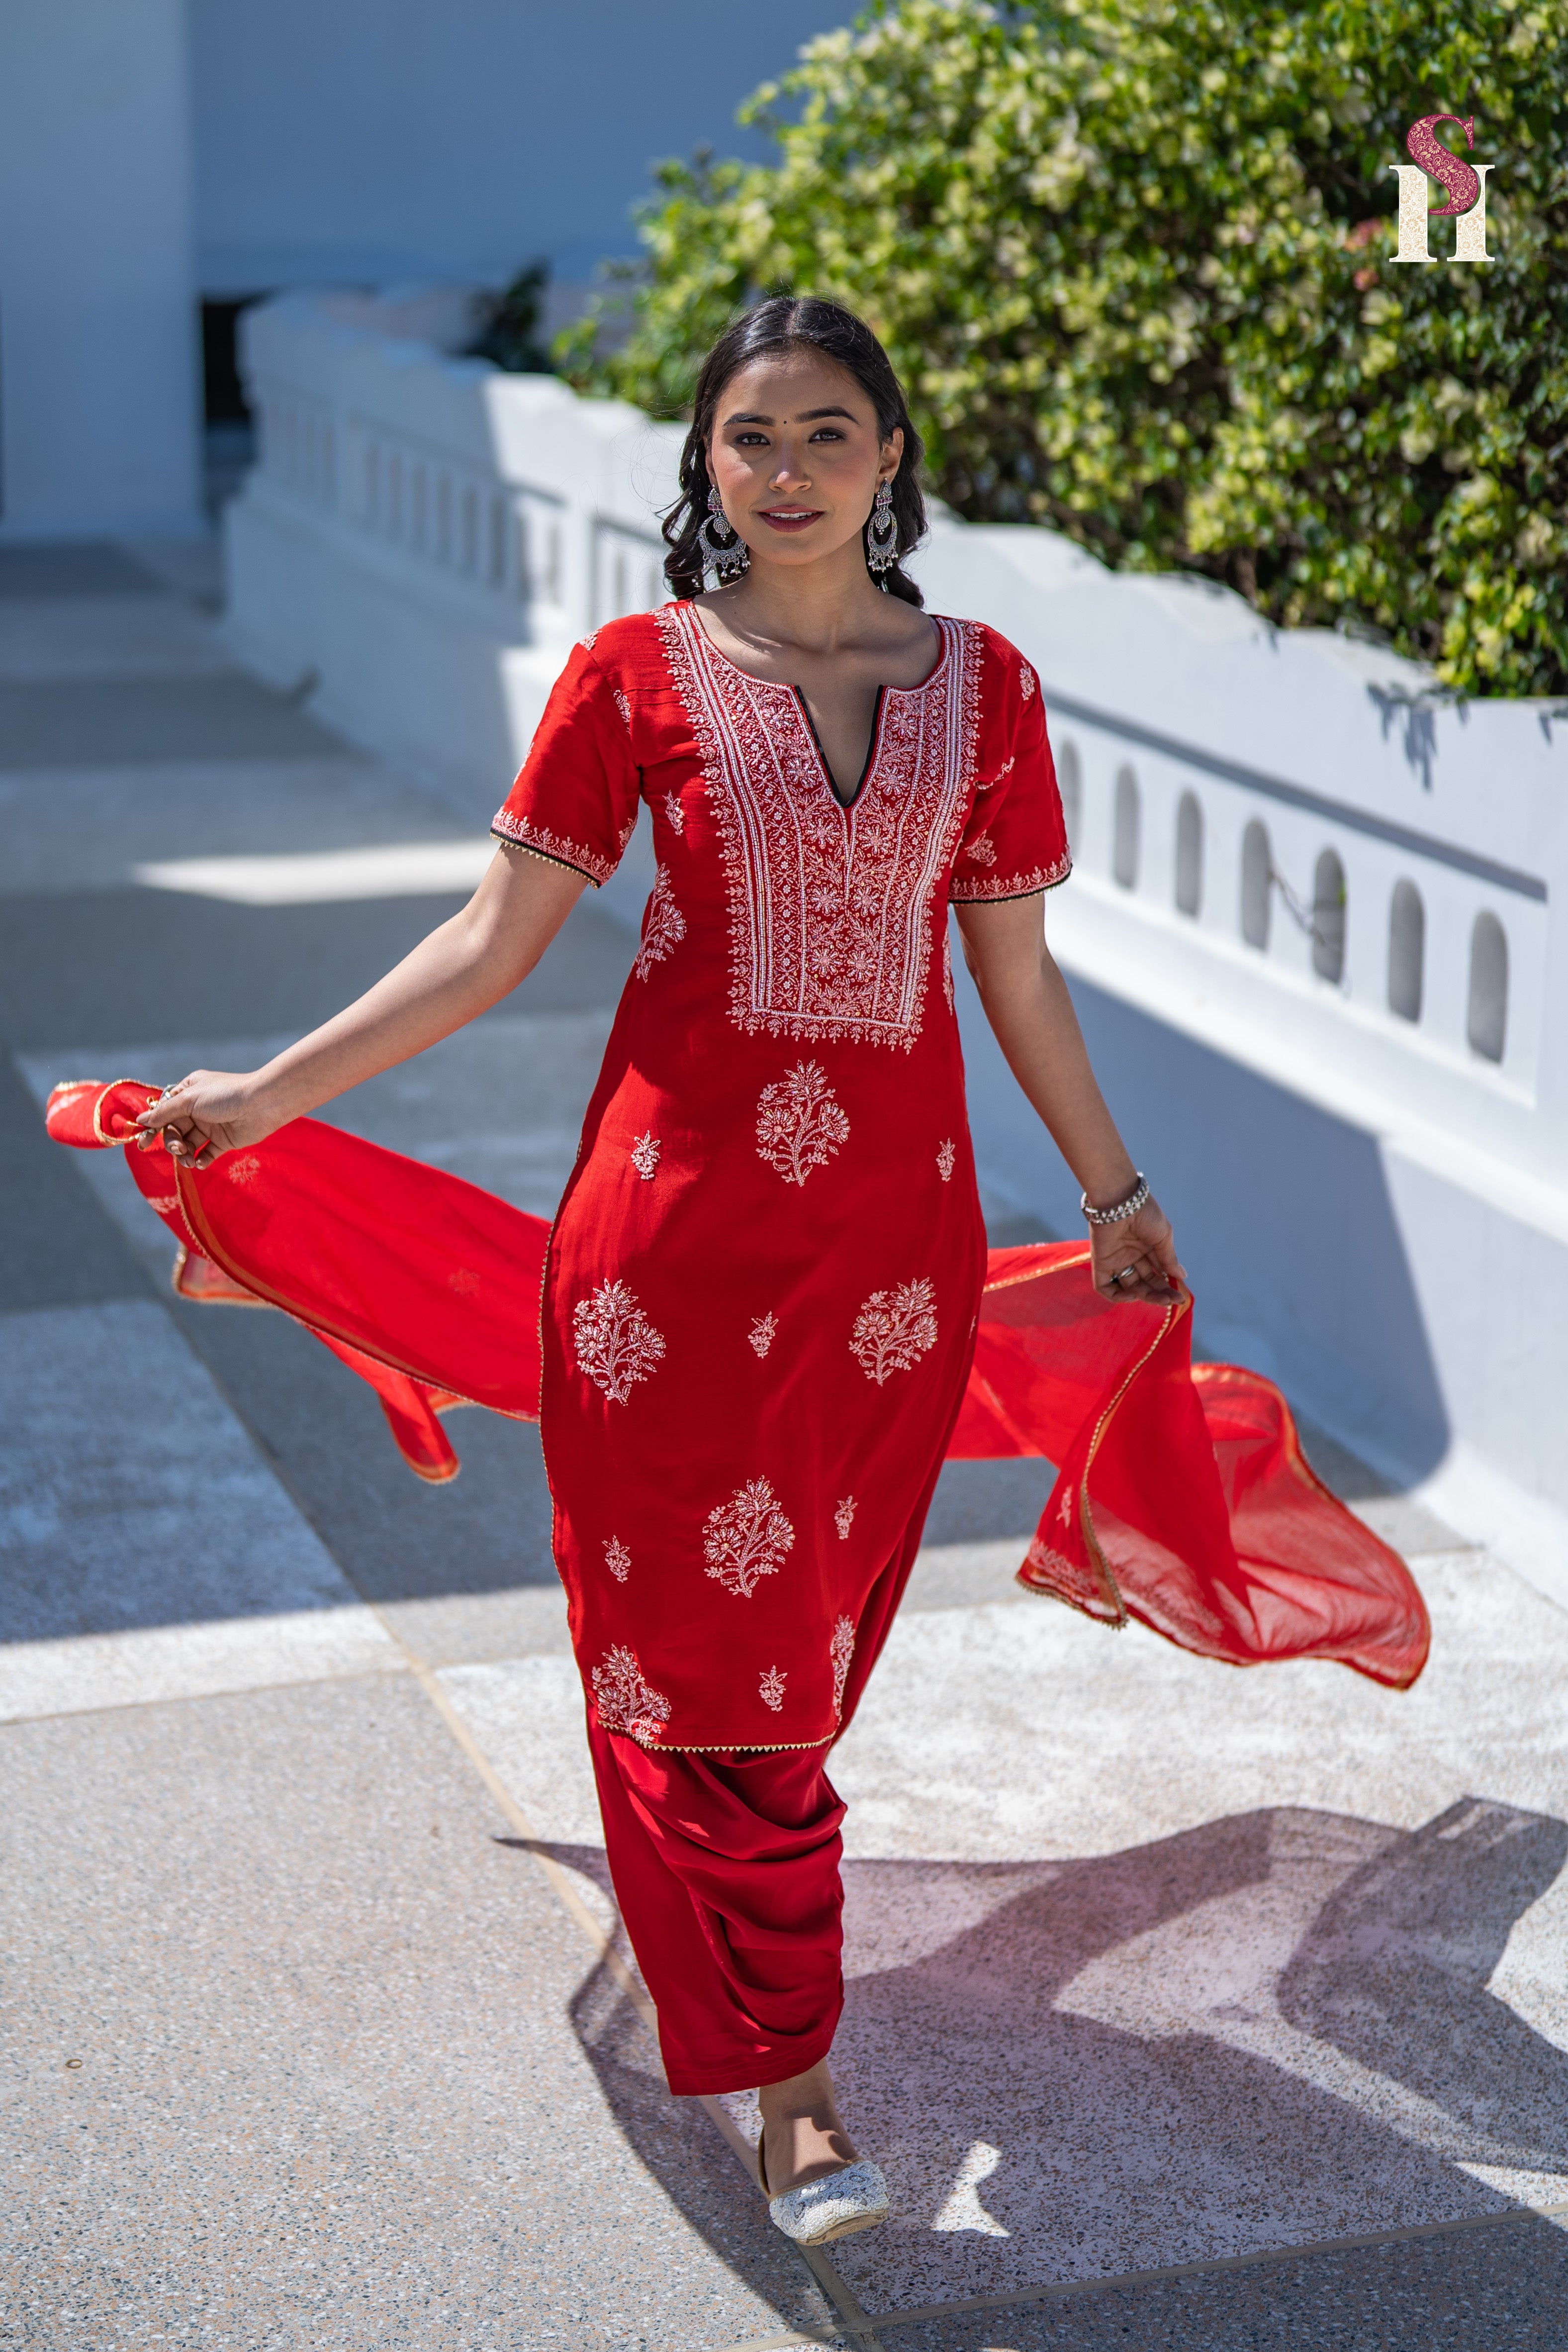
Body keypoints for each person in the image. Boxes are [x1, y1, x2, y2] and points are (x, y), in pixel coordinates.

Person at [138, 297, 1183, 2248]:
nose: (787, 474)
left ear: (894, 457)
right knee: (721, 1681)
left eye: (828, 435)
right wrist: (271, 1093)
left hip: (894, 1256)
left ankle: (742, 1963)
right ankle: (793, 2092)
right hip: (667, 1266)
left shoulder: (992, 687)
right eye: (749, 439)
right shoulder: (635, 677)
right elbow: (491, 937)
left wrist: (1114, 1193)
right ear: (704, 465)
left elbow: (1013, 974)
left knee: (805, 1658)